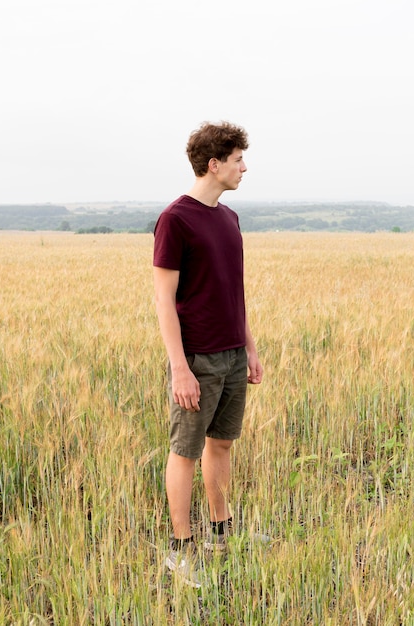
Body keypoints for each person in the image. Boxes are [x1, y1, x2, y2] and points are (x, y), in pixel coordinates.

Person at [153, 121, 263, 587]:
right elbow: (164, 300)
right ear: (213, 164)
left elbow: (232, 292)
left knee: (222, 445)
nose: (245, 167)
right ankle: (179, 552)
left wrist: (250, 348)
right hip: (197, 359)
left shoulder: (229, 219)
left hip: (234, 354)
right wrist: (180, 368)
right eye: (238, 159)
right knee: (185, 452)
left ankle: (221, 532)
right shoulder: (176, 219)